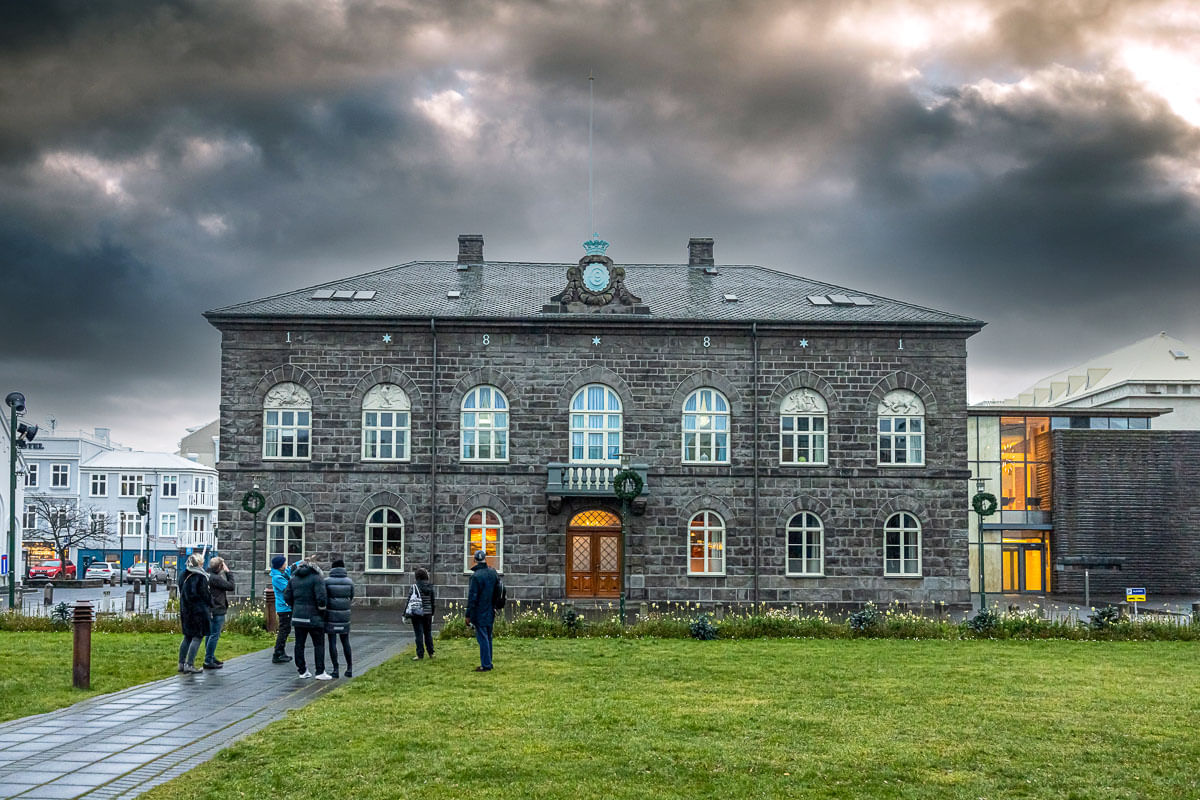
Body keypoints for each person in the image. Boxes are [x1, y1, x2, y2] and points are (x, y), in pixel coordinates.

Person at [284, 557, 331, 680]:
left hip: (298, 616)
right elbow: (321, 597)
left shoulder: (293, 579)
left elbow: (287, 596)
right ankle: (320, 672)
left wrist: (295, 607)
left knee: (299, 644)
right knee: (318, 644)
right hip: (314, 617)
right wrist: (322, 611)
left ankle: (302, 670)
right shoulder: (317, 578)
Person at [178, 554, 213, 674]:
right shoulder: (200, 577)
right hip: (198, 611)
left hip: (185, 610)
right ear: (199, 563)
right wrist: (211, 604)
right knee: (197, 637)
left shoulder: (183, 575)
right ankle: (190, 664)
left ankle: (181, 663)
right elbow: (204, 595)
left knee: (187, 636)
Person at [465, 550, 499, 672]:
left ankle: (486, 664)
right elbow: (498, 592)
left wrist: (468, 615)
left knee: (482, 638)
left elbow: (472, 597)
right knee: (488, 637)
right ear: (485, 559)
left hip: (479, 611)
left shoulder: (475, 576)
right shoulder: (493, 573)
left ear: (475, 560)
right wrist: (495, 607)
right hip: (490, 609)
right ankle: (488, 661)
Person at [324, 557, 355, 678]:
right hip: (344, 615)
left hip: (331, 615)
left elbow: (324, 598)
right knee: (345, 641)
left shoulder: (326, 581)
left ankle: (335, 669)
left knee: (332, 642)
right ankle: (349, 668)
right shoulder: (349, 582)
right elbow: (351, 597)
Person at [204, 556, 235, 670]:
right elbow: (231, 586)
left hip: (210, 608)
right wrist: (228, 572)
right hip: (217, 608)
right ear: (220, 567)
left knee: (210, 634)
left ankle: (210, 657)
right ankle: (208, 659)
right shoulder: (216, 578)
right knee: (214, 635)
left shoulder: (207, 575)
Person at [409, 567, 436, 661]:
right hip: (428, 613)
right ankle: (431, 652)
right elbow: (433, 601)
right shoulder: (430, 587)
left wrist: (405, 614)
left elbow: (409, 601)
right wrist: (432, 613)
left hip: (417, 613)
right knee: (428, 633)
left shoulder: (414, 587)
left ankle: (420, 654)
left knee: (419, 634)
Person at [270, 556, 293, 663]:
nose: (286, 565)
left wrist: (304, 561)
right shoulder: (277, 578)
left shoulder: (280, 575)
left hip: (285, 607)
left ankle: (281, 652)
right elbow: (287, 589)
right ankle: (278, 653)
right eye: (284, 563)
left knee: (285, 630)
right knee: (284, 630)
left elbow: (289, 570)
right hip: (284, 607)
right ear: (280, 565)